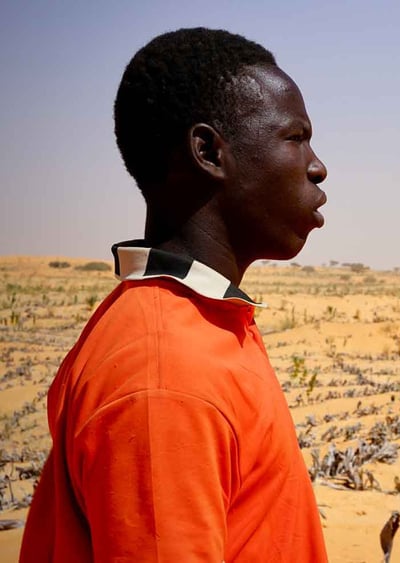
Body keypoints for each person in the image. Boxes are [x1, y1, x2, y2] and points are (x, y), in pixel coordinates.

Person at [20, 27, 329, 562]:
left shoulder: (198, 323)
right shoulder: (165, 375)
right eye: (295, 138)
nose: (316, 165)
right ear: (209, 151)